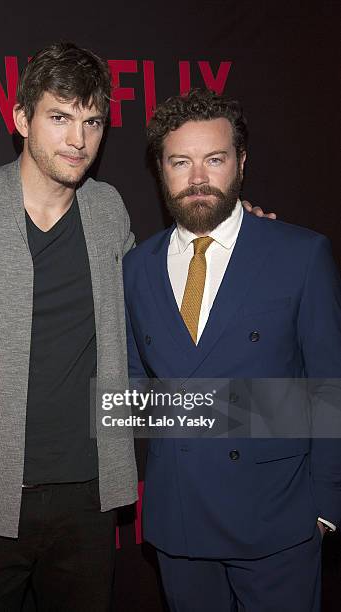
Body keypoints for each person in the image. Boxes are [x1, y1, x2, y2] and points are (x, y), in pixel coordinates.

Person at [0, 43, 267, 610]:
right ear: (21, 120)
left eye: (92, 123)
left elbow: (156, 289)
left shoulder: (107, 209)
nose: (78, 140)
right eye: (59, 118)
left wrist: (231, 236)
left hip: (88, 503)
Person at [123, 88, 341, 612]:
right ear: (161, 170)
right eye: (181, 161)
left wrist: (326, 506)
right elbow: (131, 390)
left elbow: (330, 385)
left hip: (279, 522)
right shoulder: (136, 267)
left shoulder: (301, 254)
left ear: (241, 163)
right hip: (180, 525)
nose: (198, 178)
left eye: (214, 159)